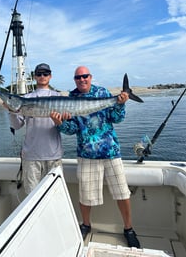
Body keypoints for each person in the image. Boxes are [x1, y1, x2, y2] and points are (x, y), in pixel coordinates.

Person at [51, 66, 140, 248]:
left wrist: (121, 103)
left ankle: (129, 229)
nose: (82, 79)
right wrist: (60, 123)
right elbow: (73, 129)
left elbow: (116, 119)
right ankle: (86, 225)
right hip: (86, 154)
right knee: (85, 195)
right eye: (78, 77)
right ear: (74, 80)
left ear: (90, 77)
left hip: (110, 151)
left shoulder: (102, 92)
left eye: (85, 76)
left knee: (122, 193)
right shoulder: (70, 99)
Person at [8, 63, 65, 195]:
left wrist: (60, 122)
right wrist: (12, 112)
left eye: (45, 74)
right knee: (32, 196)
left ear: (50, 76)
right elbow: (17, 126)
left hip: (54, 156)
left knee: (55, 195)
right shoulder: (26, 99)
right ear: (34, 77)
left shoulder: (58, 96)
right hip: (31, 157)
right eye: (39, 74)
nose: (42, 76)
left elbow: (67, 127)